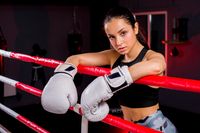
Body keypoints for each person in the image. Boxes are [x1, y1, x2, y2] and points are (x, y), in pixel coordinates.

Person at [41, 6, 178, 133]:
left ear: (135, 28)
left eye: (123, 33)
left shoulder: (150, 56)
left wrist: (109, 83)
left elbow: (158, 65)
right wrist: (62, 75)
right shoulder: (113, 56)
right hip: (129, 127)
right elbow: (76, 58)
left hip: (155, 127)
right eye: (112, 37)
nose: (118, 42)